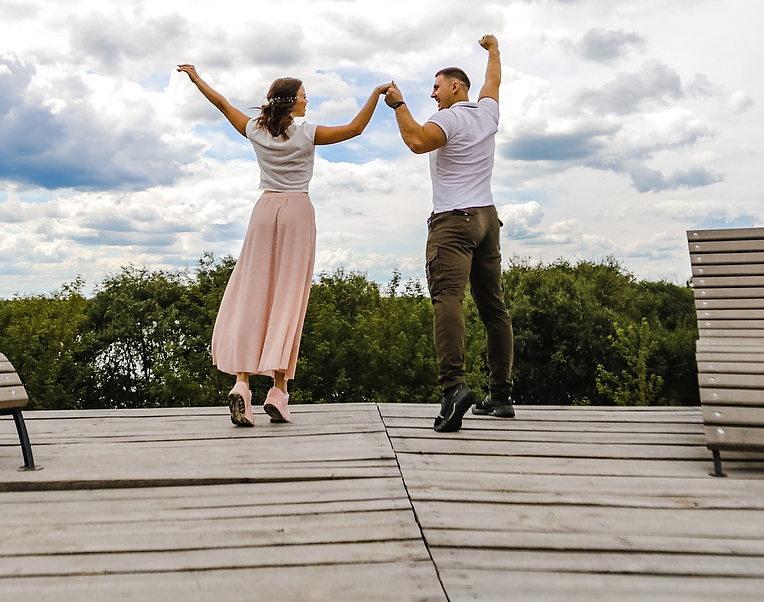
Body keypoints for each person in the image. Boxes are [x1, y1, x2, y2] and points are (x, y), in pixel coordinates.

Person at [178, 65, 387, 426]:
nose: (308, 100)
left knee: (252, 294)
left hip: (264, 210)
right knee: (287, 299)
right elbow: (355, 129)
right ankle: (278, 391)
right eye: (305, 95)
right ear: (292, 102)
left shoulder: (256, 130)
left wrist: (197, 79)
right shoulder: (307, 134)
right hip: (296, 211)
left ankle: (242, 384)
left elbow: (222, 103)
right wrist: (375, 94)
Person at [382, 34, 514, 433]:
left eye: (437, 86)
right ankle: (501, 395)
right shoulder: (487, 112)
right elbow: (493, 81)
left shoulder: (450, 118)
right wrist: (493, 50)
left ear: (456, 87)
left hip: (453, 222)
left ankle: (454, 388)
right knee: (494, 308)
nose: (433, 93)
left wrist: (399, 105)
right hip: (487, 219)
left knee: (447, 299)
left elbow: (417, 141)